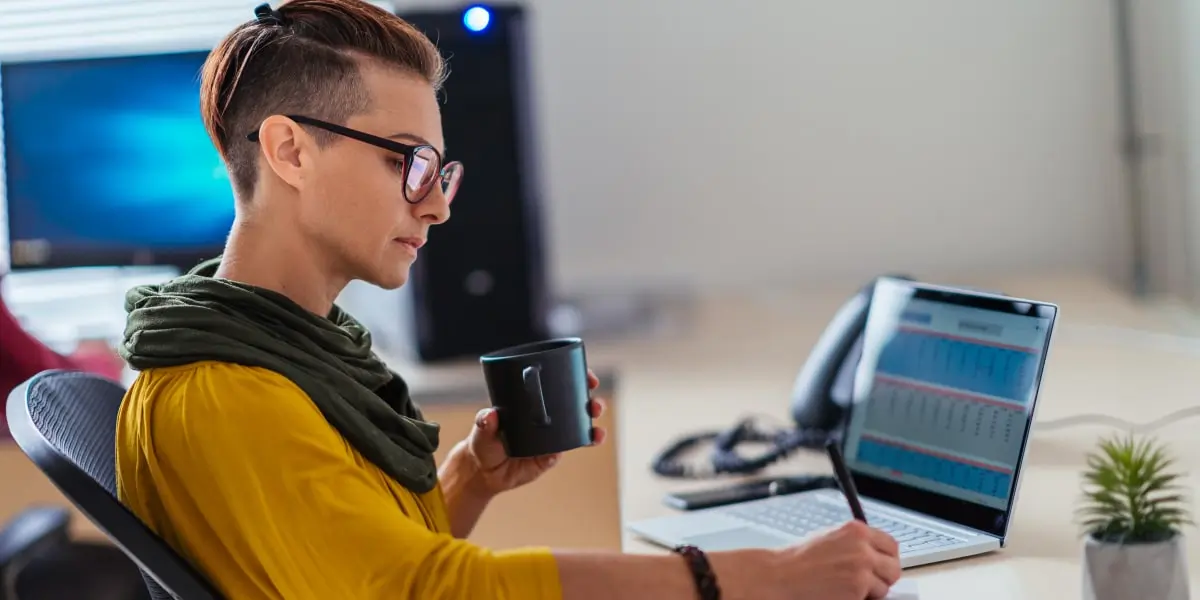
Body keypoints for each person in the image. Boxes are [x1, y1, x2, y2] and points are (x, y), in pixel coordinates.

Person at [113, 1, 903, 599]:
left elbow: (356, 569)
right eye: (409, 164)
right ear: (291, 151)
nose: (437, 205)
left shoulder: (285, 348)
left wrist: (470, 481)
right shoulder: (227, 394)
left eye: (440, 172)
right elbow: (429, 590)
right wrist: (757, 575)